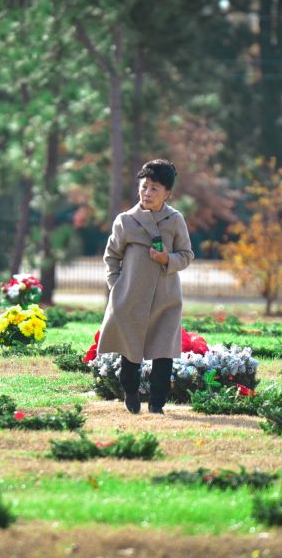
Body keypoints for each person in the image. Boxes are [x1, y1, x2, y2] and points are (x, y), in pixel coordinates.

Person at [96, 159, 194, 414]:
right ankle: (129, 390)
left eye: (155, 189)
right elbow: (111, 256)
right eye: (145, 187)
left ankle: (157, 404)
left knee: (164, 354)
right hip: (130, 298)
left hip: (166, 298)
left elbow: (186, 255)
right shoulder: (126, 221)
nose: (147, 193)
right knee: (131, 354)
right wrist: (117, 286)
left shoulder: (174, 220)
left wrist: (167, 259)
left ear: (167, 194)